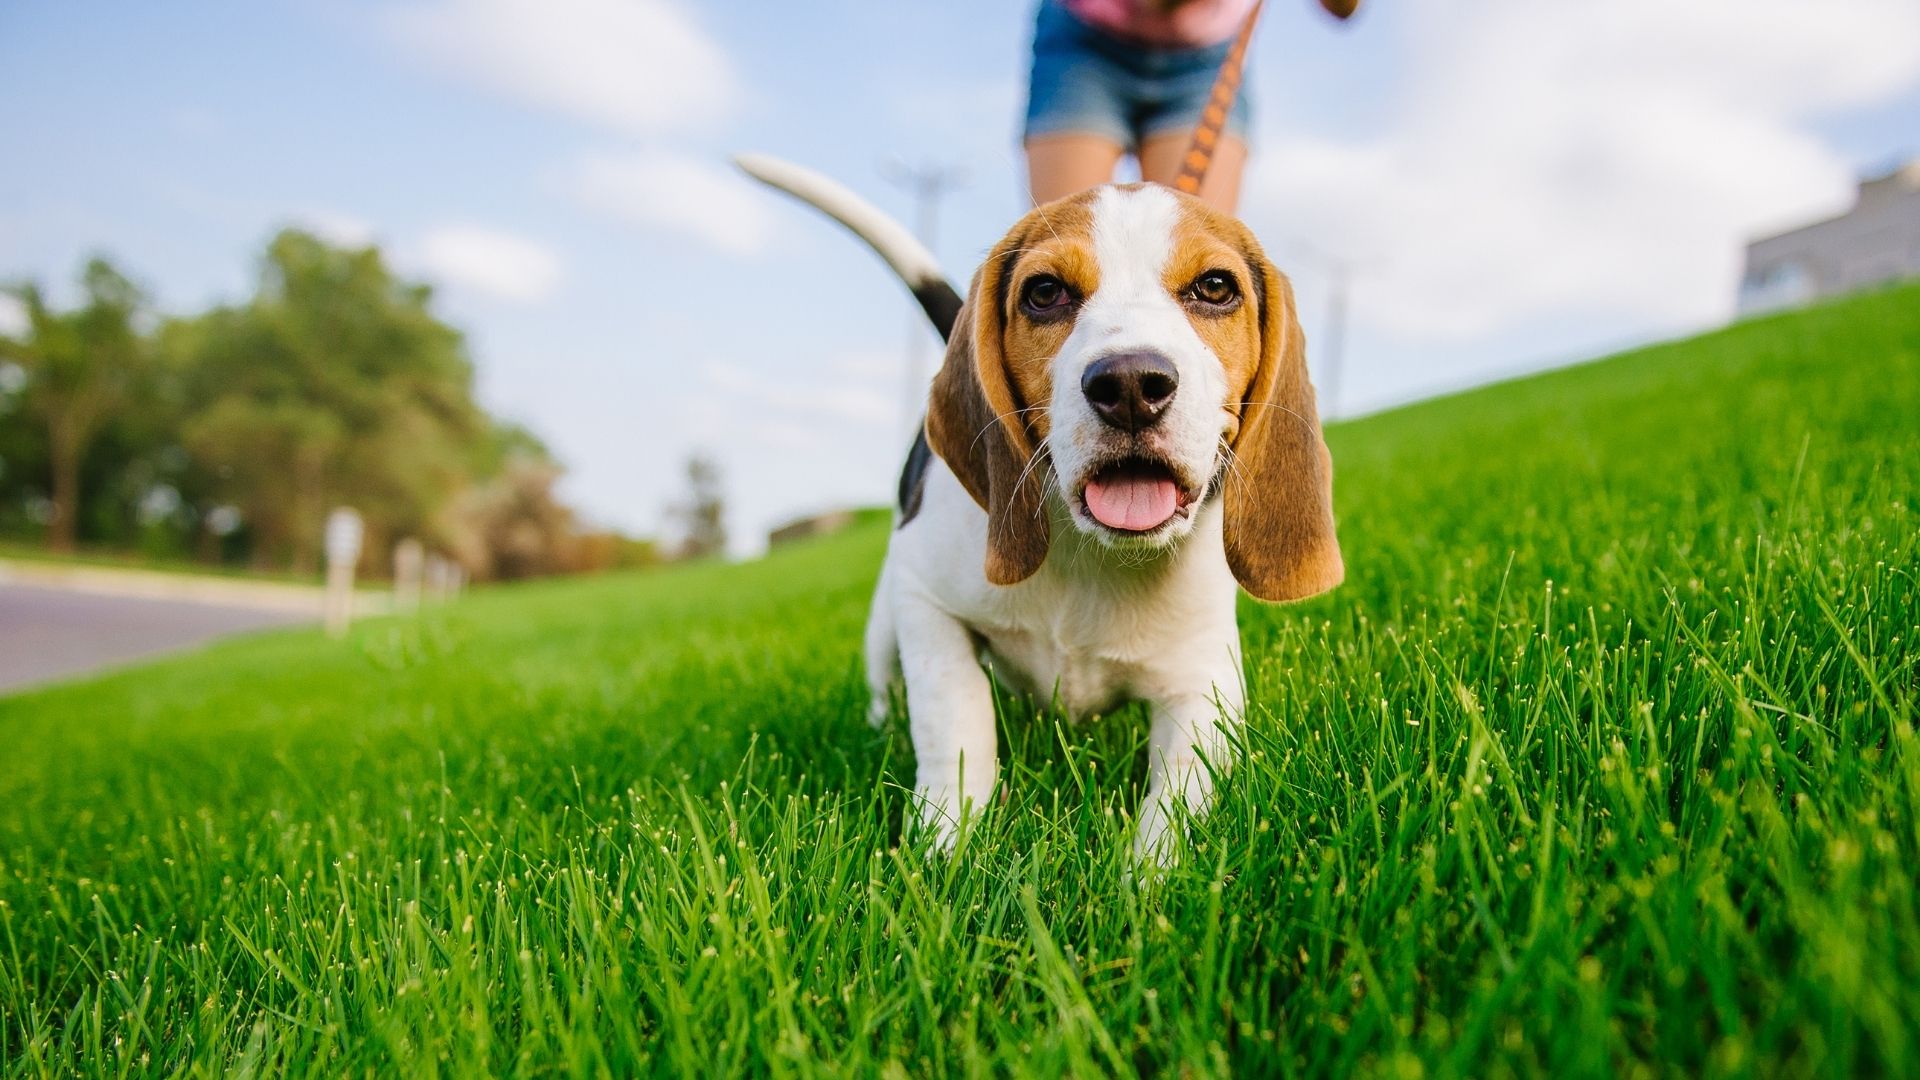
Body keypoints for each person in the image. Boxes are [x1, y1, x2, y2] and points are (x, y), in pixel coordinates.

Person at [1023, 0, 1356, 214]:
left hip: (1209, 56)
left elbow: (1343, 9)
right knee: (1063, 243)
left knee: (1200, 247)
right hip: (1084, 39)